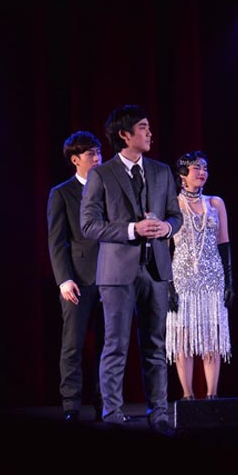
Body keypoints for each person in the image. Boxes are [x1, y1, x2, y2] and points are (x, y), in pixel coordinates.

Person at [81, 105, 183, 433]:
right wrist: (131, 229)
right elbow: (89, 225)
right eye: (143, 127)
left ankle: (159, 413)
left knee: (156, 346)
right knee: (115, 346)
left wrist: (166, 228)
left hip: (156, 270)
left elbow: (175, 215)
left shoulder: (161, 171)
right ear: (124, 135)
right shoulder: (101, 174)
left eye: (149, 127)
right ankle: (112, 413)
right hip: (117, 273)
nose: (149, 133)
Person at [47, 130, 105, 422]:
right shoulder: (62, 192)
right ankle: (71, 404)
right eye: (91, 154)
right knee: (73, 344)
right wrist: (64, 279)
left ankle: (105, 403)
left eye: (99, 153)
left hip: (110, 277)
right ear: (75, 160)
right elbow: (57, 240)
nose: (97, 159)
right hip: (78, 280)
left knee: (110, 346)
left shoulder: (109, 187)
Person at [166, 151, 233, 400]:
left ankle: (212, 395)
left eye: (205, 168)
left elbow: (224, 242)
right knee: (183, 338)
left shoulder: (215, 203)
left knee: (211, 338)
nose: (202, 172)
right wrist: (168, 285)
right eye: (196, 168)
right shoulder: (172, 205)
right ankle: (187, 395)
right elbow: (164, 248)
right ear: (183, 174)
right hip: (182, 278)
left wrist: (229, 280)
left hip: (212, 278)